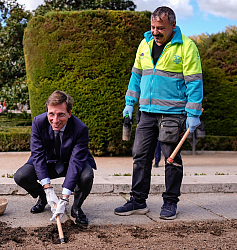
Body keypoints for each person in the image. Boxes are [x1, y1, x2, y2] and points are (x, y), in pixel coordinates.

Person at [114, 6, 203, 220]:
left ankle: (170, 202)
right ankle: (138, 200)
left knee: (171, 159)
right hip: (146, 113)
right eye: (153, 27)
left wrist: (193, 112)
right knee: (140, 156)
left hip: (173, 114)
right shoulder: (144, 44)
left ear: (173, 25)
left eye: (160, 28)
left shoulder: (186, 47)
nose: (155, 32)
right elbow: (136, 76)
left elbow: (194, 82)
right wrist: (129, 102)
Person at [14, 90, 96, 226]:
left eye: (61, 115)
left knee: (87, 175)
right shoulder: (38, 122)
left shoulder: (80, 129)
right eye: (51, 114)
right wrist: (48, 190)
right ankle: (43, 198)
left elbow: (76, 162)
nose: (55, 120)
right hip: (48, 162)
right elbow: (38, 155)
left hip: (72, 162)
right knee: (21, 176)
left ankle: (76, 208)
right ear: (47, 112)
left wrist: (64, 197)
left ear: (69, 113)